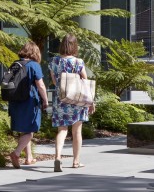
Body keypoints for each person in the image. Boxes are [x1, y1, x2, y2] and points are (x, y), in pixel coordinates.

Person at [48, 34, 95, 172]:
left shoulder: (54, 61)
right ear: (75, 46)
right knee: (77, 131)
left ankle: (57, 157)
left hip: (61, 99)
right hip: (77, 100)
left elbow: (55, 82)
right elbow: (85, 82)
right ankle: (76, 161)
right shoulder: (78, 62)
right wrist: (91, 102)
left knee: (62, 130)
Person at [8, 41, 49, 169]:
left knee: (24, 130)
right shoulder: (34, 65)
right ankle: (16, 153)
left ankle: (29, 158)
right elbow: (40, 85)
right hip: (29, 102)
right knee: (30, 130)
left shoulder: (15, 64)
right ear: (35, 52)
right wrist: (46, 100)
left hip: (15, 102)